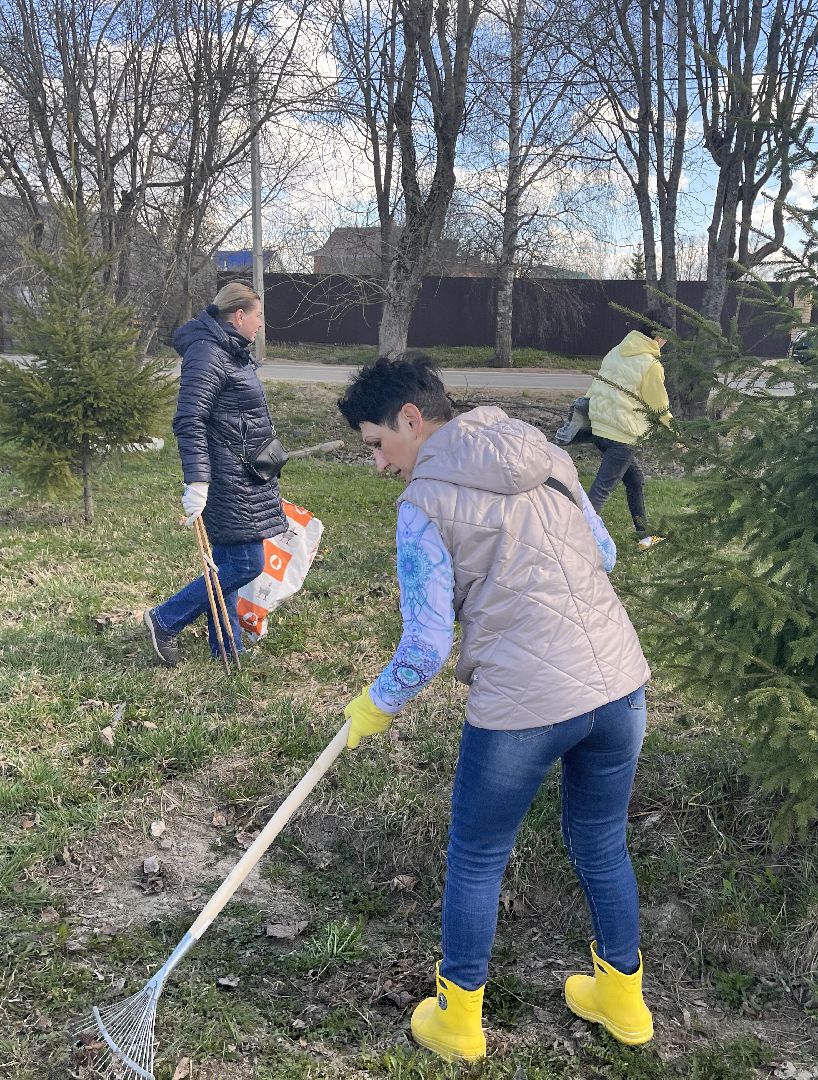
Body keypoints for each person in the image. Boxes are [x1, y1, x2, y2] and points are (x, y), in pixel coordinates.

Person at [335, 354, 655, 1062]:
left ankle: (456, 1021)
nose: (380, 466)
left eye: (377, 446)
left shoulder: (423, 505)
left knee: (478, 856)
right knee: (602, 841)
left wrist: (373, 706)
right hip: (619, 685)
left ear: (411, 421)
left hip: (525, 703)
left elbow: (423, 648)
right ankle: (624, 1001)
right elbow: (602, 553)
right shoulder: (548, 457)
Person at [143, 282, 286, 666]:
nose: (260, 325)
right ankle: (164, 619)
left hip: (242, 473)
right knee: (246, 564)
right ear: (239, 316)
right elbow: (189, 418)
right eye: (258, 316)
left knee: (228, 563)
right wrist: (198, 481)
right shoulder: (209, 353)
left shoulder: (230, 351)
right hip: (226, 478)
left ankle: (226, 645)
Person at [585, 309, 673, 548]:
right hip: (621, 436)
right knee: (600, 494)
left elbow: (596, 387)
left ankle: (644, 537)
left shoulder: (616, 351)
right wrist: (677, 437)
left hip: (599, 430)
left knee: (634, 480)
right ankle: (572, 541)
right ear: (658, 337)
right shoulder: (650, 364)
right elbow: (659, 407)